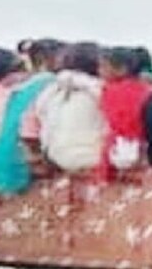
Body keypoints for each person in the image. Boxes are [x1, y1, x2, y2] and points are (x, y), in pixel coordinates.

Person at [0, 38, 65, 194]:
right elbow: (29, 128)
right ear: (51, 59)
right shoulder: (49, 82)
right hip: (20, 154)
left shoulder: (8, 82)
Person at [34, 42, 108, 173]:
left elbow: (39, 114)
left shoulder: (52, 89)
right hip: (95, 157)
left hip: (56, 156)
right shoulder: (101, 88)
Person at [98, 46, 152, 180]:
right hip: (143, 148)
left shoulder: (109, 91)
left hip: (119, 147)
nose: (99, 71)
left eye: (103, 67)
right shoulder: (149, 90)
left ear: (122, 69)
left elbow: (112, 122)